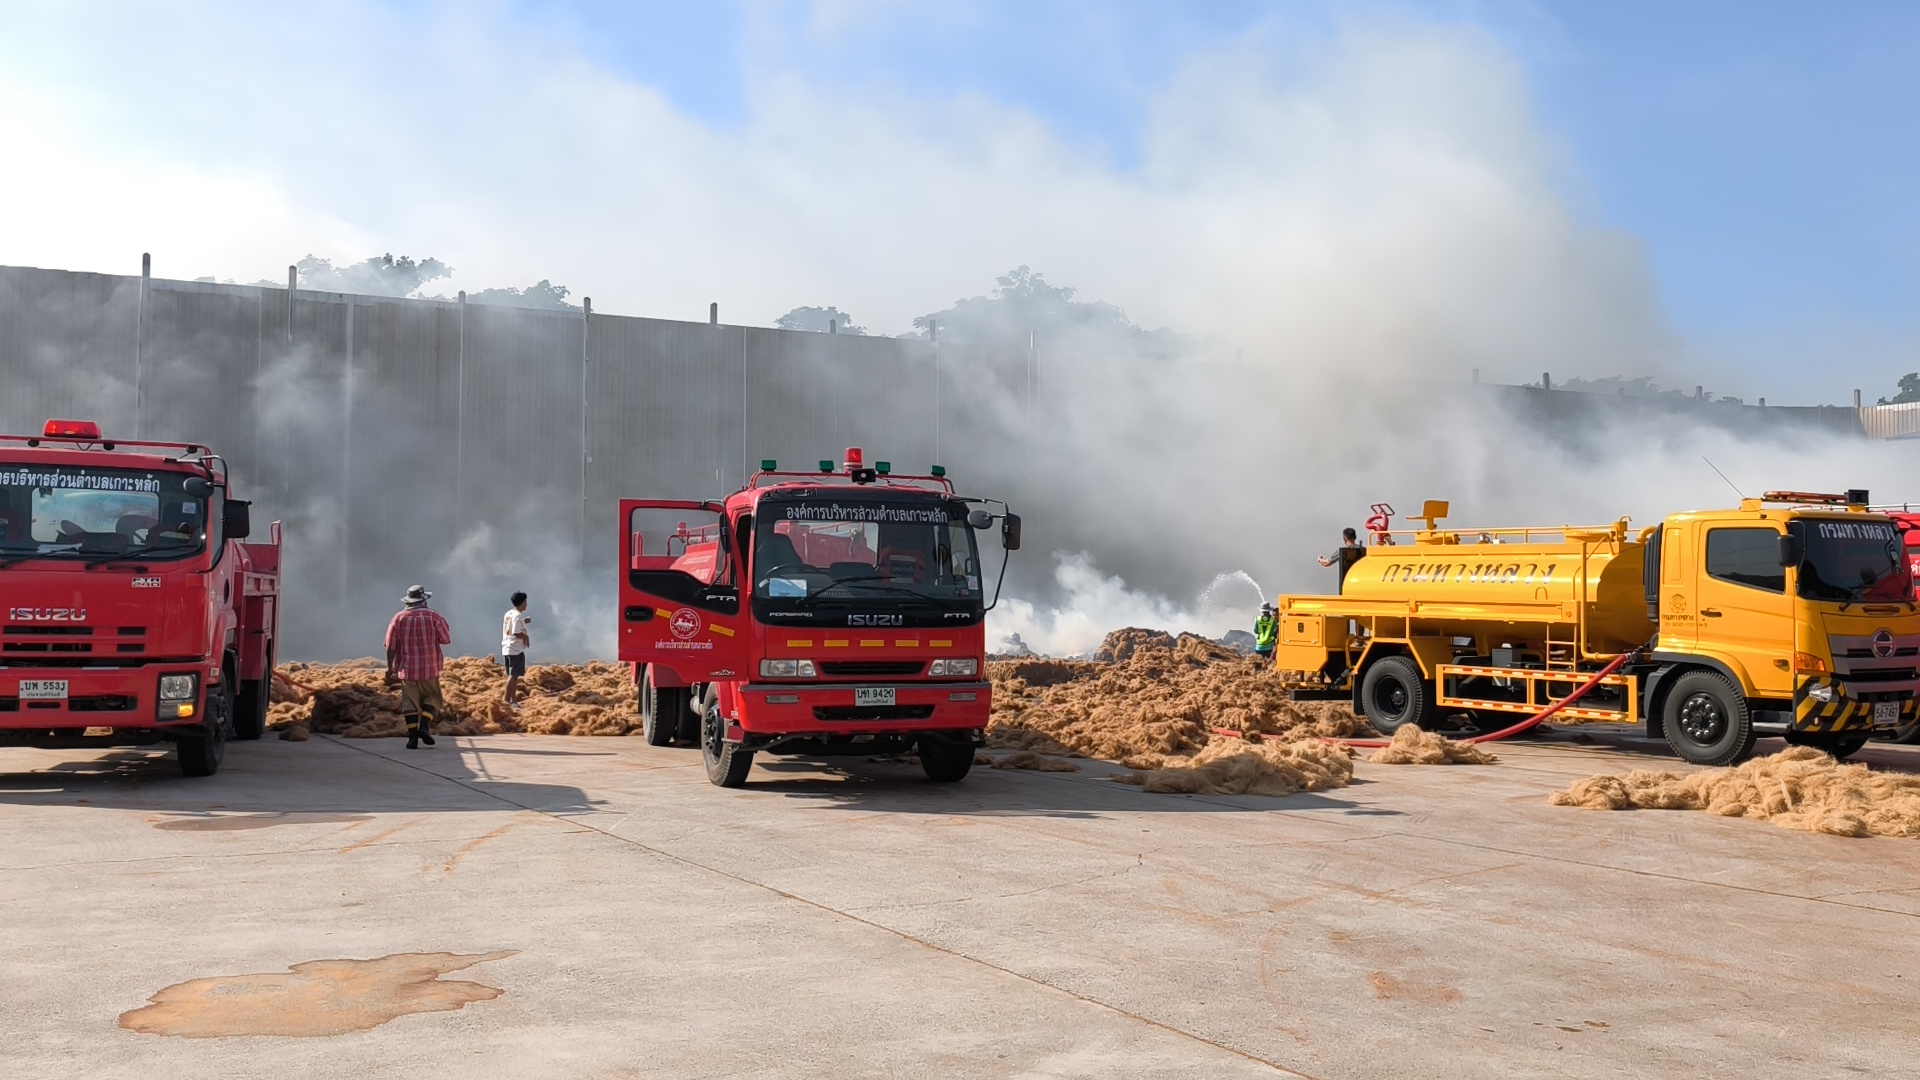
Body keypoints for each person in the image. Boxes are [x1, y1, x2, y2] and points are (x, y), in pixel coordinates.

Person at [385, 584, 452, 749]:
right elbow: (445, 639)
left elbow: (391, 646)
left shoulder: (398, 618)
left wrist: (390, 669)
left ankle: (412, 738)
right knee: (433, 698)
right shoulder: (434, 616)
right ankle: (424, 725)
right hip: (430, 668)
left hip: (407, 669)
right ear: (424, 600)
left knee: (410, 704)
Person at [501, 591, 532, 704]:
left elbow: (511, 627)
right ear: (522, 603)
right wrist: (526, 637)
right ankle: (507, 701)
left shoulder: (509, 613)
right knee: (513, 676)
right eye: (525, 602)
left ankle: (513, 701)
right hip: (515, 650)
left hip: (507, 647)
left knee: (513, 676)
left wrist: (524, 621)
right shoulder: (518, 616)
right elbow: (515, 632)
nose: (526, 604)